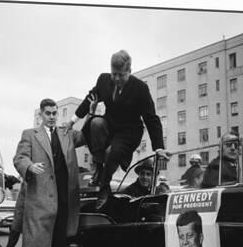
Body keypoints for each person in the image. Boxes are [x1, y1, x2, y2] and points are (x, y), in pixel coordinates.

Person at [64, 50, 170, 210]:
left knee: (112, 153)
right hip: (110, 125)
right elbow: (89, 99)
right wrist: (71, 122)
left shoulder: (140, 88)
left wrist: (159, 147)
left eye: (121, 75)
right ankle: (99, 167)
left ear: (129, 71)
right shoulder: (104, 80)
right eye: (114, 74)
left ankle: (104, 188)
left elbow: (151, 118)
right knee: (96, 124)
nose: (117, 79)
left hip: (130, 131)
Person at [13, 98, 86, 247]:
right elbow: (19, 157)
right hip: (39, 200)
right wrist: (29, 166)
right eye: (48, 113)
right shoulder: (30, 134)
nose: (52, 117)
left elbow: (87, 136)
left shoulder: (66, 133)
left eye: (55, 113)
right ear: (41, 114)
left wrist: (90, 113)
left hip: (63, 201)